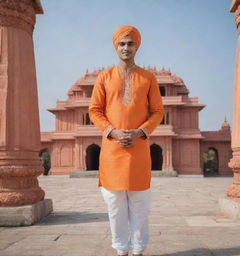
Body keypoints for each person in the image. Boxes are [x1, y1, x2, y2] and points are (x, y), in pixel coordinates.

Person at [89, 25, 164, 256]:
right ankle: (121, 250)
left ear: (137, 46)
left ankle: (138, 249)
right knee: (114, 205)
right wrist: (112, 131)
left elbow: (158, 111)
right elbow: (94, 110)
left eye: (130, 43)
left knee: (140, 204)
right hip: (112, 149)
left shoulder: (148, 77)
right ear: (115, 46)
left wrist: (141, 131)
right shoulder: (105, 77)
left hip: (139, 148)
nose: (126, 48)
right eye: (122, 43)